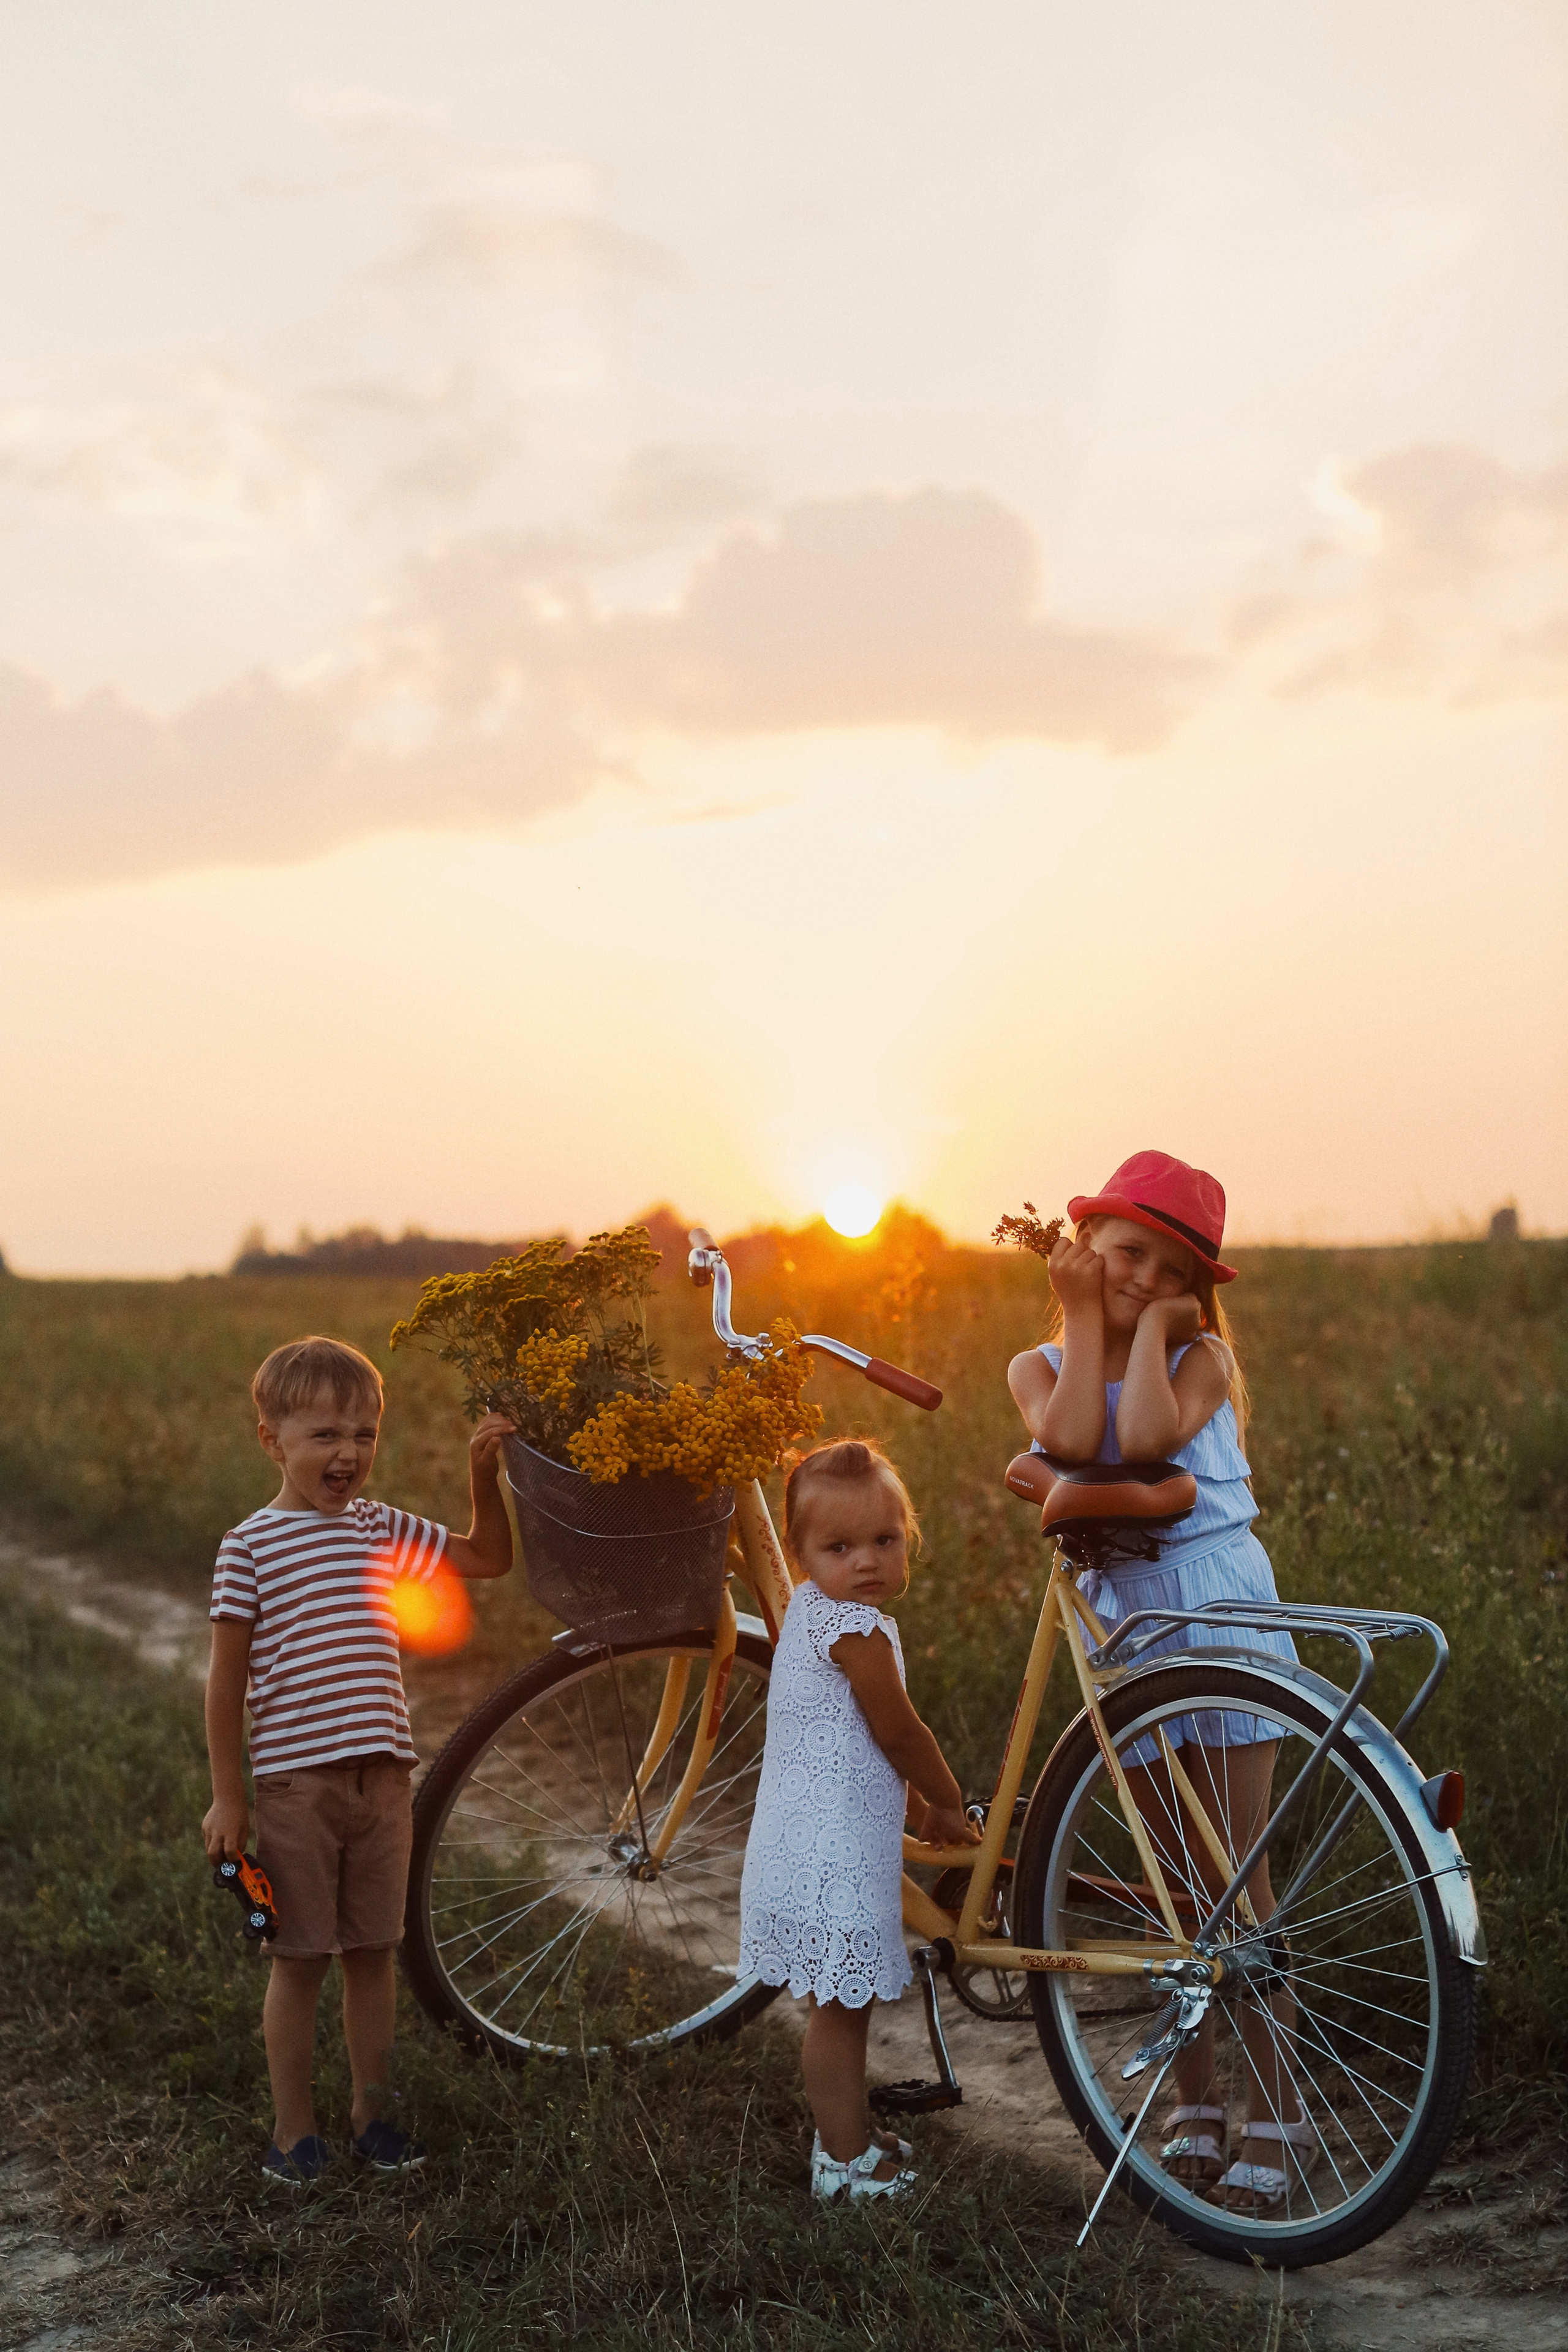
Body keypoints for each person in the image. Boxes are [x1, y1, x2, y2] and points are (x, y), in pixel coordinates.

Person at [1006, 1149, 1313, 2217]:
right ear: (1083, 1249)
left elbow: (1138, 1438)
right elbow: (1072, 1436)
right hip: (1123, 1618)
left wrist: (1147, 1332)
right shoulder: (1035, 1367)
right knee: (1177, 1887)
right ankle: (1195, 2100)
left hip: (1217, 1600)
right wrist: (1095, 1321)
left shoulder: (1204, 1368)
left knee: (1237, 1879)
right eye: (1125, 1254)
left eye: (1165, 1267)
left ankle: (1279, 2107)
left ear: (1193, 1290)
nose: (1139, 1276)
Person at [202, 1335, 514, 2187]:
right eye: (325, 1436)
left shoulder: (381, 1528)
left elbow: (487, 1559)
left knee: (375, 1952)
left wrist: (483, 1478)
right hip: (297, 1789)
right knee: (301, 1959)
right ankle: (293, 2133)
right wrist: (230, 1798)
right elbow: (225, 1685)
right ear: (272, 1440)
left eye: (364, 1435)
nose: (348, 1454)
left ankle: (372, 2117)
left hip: (383, 1782)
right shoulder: (250, 1548)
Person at [737, 1438, 979, 2203]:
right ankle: (843, 2163)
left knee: (837, 2009)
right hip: (830, 1854)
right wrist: (944, 1799)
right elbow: (900, 1732)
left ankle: (847, 2136)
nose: (867, 1561)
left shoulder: (814, 1611)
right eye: (839, 1547)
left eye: (884, 1539)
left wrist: (906, 1801)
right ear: (803, 1556)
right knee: (839, 2015)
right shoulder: (857, 1634)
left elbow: (851, 1739)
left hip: (803, 1840)